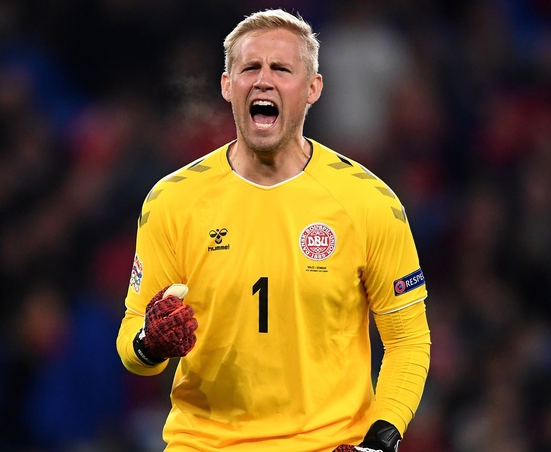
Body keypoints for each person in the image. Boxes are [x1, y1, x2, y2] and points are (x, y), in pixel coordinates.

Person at [116, 9, 430, 452]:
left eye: (281, 68)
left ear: (312, 89)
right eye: (250, 68)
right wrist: (150, 343)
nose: (263, 80)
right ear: (228, 86)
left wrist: (381, 438)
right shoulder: (172, 202)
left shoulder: (368, 202)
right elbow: (134, 350)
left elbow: (408, 339)